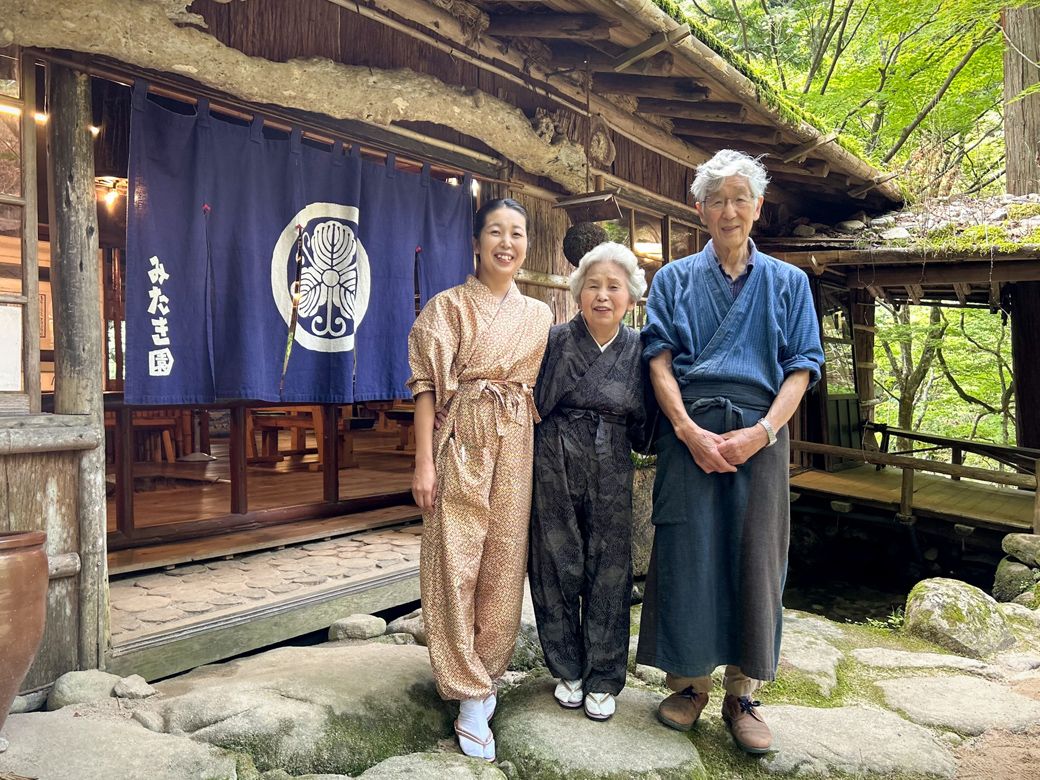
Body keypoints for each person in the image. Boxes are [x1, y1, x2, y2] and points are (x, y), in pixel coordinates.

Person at [635, 150, 824, 753]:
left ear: (758, 207)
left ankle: (743, 694)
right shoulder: (672, 280)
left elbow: (802, 369)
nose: (729, 210)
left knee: (756, 557)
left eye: (740, 197)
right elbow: (658, 361)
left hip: (761, 435)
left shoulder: (789, 283)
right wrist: (689, 431)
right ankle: (689, 685)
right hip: (688, 430)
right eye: (716, 199)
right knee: (688, 551)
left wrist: (762, 432)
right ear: (700, 210)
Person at [407, 198, 553, 762]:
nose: (507, 243)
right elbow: (425, 389)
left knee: (502, 560)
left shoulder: (540, 316)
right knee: (454, 555)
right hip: (462, 432)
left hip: (516, 437)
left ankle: (486, 673)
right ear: (475, 242)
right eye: (496, 231)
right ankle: (466, 689)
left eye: (517, 234)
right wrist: (423, 462)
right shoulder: (446, 309)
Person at [528, 242, 647, 722]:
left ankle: (603, 676)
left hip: (612, 460)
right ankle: (568, 669)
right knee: (555, 559)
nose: (603, 295)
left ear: (631, 297)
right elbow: (528, 403)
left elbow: (649, 419)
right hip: (553, 456)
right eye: (592, 285)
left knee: (611, 567)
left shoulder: (640, 348)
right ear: (577, 294)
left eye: (613, 286)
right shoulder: (554, 340)